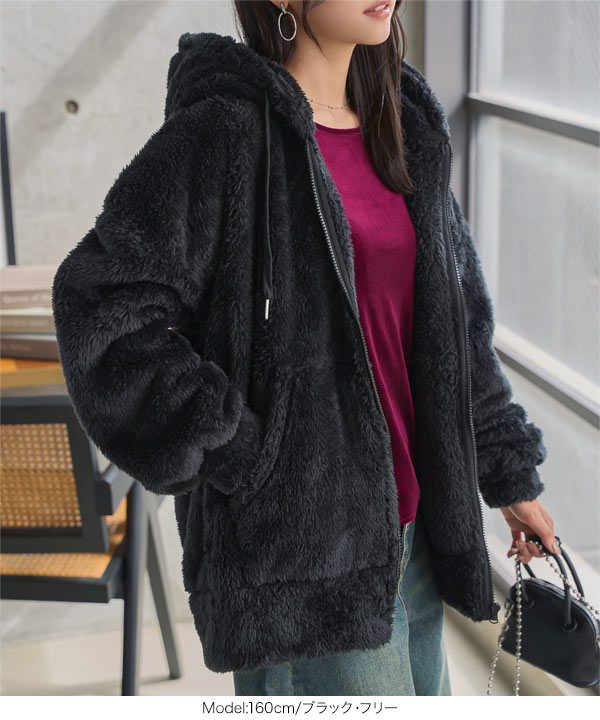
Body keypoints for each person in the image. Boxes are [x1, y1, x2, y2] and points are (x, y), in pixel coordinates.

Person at [51, 1, 560, 695]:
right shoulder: (225, 133)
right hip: (300, 560)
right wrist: (242, 452)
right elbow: (100, 307)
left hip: (413, 535)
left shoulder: (404, 122)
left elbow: (457, 323)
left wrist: (508, 473)